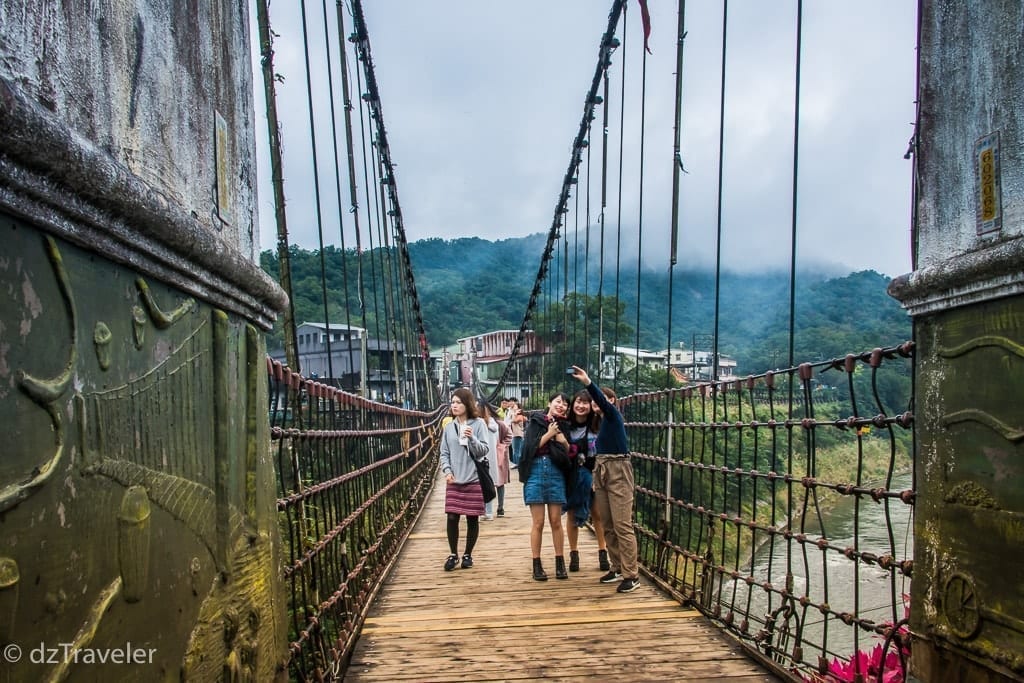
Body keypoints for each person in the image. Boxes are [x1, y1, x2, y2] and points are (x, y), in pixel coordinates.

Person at [568, 366, 640, 593]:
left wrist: (588, 382)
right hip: (602, 469)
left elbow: (602, 401)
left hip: (618, 469)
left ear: (611, 401)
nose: (596, 403)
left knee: (622, 524)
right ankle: (617, 567)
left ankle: (632, 574)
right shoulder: (598, 422)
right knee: (607, 523)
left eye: (602, 400)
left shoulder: (613, 415)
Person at [518, 392, 573, 581]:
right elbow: (527, 450)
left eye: (565, 403)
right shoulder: (536, 422)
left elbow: (570, 452)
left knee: (556, 521)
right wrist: (549, 434)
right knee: (539, 522)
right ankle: (537, 564)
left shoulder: (566, 426)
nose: (561, 405)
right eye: (558, 401)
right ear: (549, 403)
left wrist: (562, 440)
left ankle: (560, 562)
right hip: (535, 471)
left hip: (555, 472)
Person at [438, 388, 490, 572]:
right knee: (452, 517)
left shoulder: (478, 424)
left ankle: (468, 554)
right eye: (452, 402)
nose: (454, 405)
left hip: (473, 478)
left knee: (472, 518)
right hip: (454, 480)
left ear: (467, 404)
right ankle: (453, 554)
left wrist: (472, 438)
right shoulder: (449, 427)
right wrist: (447, 471)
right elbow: (444, 452)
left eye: (458, 402)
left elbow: (484, 450)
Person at [563, 390, 609, 572]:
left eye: (585, 402)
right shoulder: (566, 426)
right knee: (572, 513)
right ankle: (574, 554)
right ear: (573, 404)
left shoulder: (599, 426)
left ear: (591, 406)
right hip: (574, 475)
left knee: (598, 513)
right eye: (578, 402)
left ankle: (602, 551)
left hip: (595, 474)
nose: (581, 406)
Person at [477, 399, 501, 521]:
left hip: (481, 458)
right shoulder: (494, 424)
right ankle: (489, 512)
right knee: (488, 484)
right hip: (491, 458)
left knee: (481, 485)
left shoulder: (477, 424)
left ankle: (483, 512)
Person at [494, 412, 513, 517]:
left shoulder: (499, 424)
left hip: (498, 456)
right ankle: (486, 508)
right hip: (485, 456)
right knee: (487, 483)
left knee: (500, 482)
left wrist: (502, 446)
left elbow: (510, 435)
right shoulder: (479, 424)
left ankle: (500, 507)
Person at [506, 397, 525, 468]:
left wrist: (514, 414)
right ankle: (516, 464)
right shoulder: (513, 412)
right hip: (514, 433)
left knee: (516, 451)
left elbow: (513, 420)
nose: (514, 409)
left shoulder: (519, 416)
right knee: (516, 450)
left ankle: (517, 464)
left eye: (516, 407)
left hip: (517, 434)